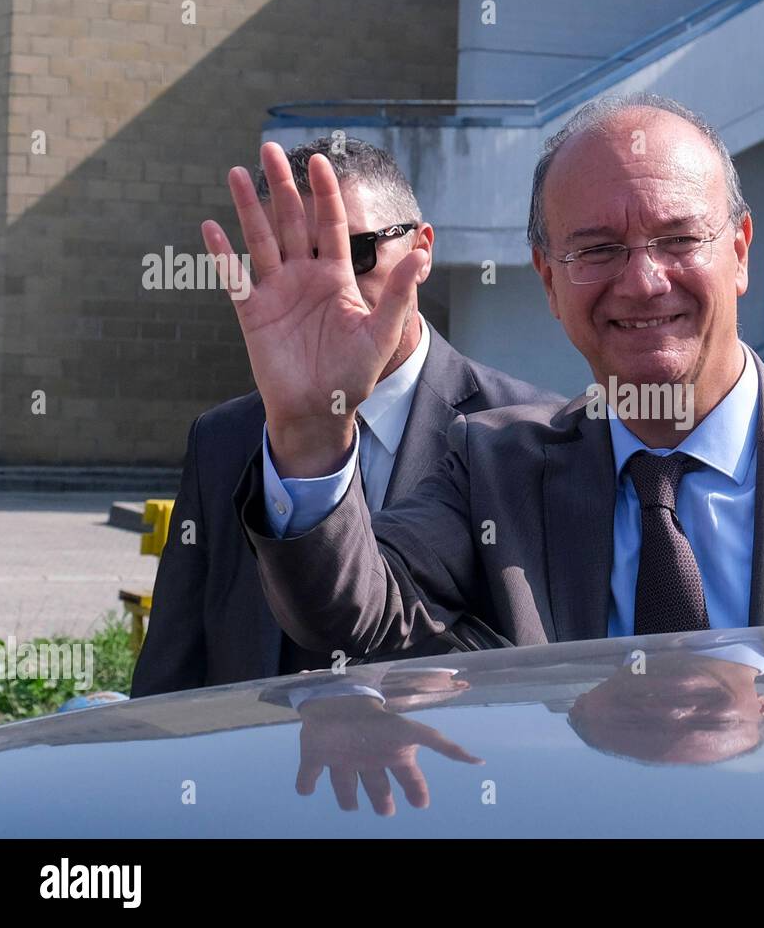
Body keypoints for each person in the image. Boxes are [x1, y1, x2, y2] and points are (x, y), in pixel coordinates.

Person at [207, 93, 764, 661]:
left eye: (678, 239)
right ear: (548, 278)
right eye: (596, 249)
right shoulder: (490, 469)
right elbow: (350, 613)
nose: (643, 281)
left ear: (740, 251)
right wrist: (313, 430)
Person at [130, 138, 557, 696]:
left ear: (422, 250)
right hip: (261, 774)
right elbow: (173, 667)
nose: (328, 286)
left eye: (355, 252)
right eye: (291, 260)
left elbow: (556, 665)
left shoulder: (530, 437)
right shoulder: (225, 439)